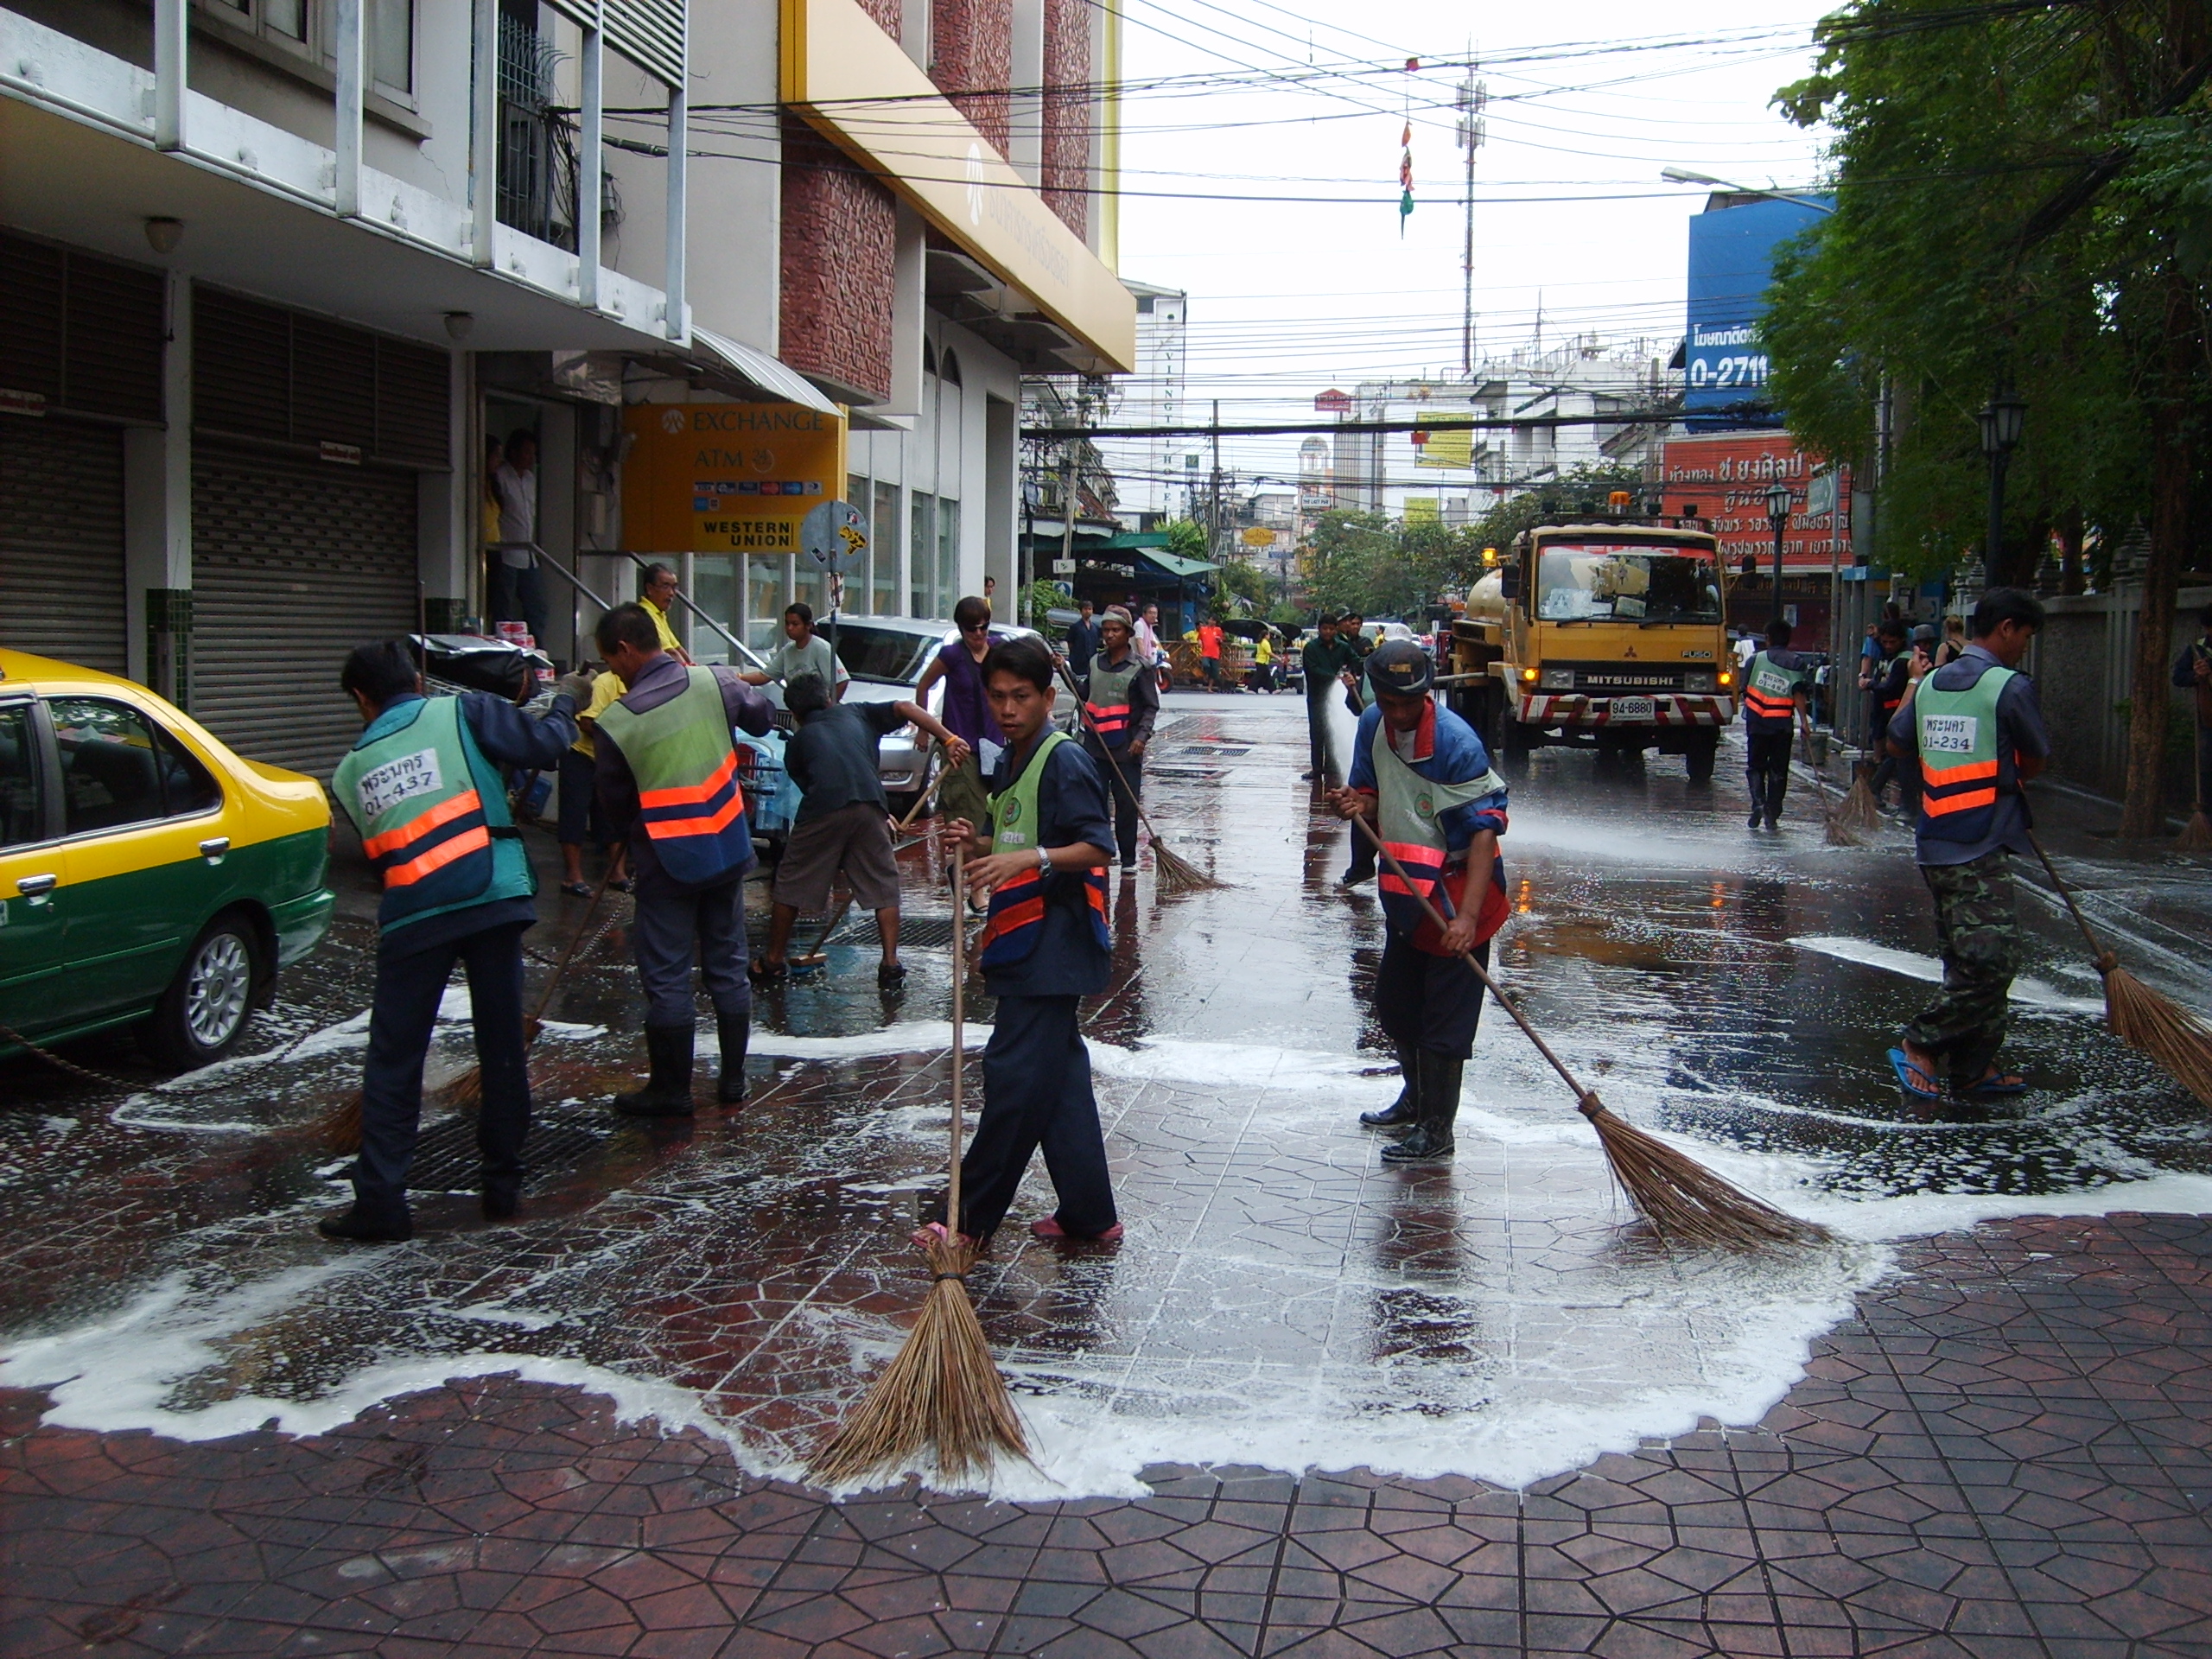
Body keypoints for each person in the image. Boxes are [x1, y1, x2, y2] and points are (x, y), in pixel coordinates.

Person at [322, 639, 585, 1241]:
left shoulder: (348, 770)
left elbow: (375, 854)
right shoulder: (462, 712)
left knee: (393, 1060)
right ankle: (503, 1187)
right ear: (417, 679)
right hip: (492, 896)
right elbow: (546, 745)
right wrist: (567, 701)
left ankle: (382, 1204)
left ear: (362, 700)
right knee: (500, 1048)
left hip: (414, 916)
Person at [924, 636, 1120, 1247]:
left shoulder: (1063, 759)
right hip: (1025, 940)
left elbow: (1098, 846)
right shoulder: (1013, 755)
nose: (1008, 709)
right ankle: (1089, 1215)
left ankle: (967, 1220)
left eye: (1022, 697)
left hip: (1054, 946)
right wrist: (979, 843)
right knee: (1058, 1085)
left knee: (1013, 1081)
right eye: (999, 697)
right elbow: (1018, 836)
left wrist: (1028, 859)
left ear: (1048, 698)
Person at [1325, 641, 1510, 1162]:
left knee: (1445, 1023)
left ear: (1427, 694)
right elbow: (1373, 794)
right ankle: (1415, 1099)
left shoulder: (1457, 744)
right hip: (1409, 892)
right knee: (1397, 1005)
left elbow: (1482, 836)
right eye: (1390, 703)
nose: (1401, 714)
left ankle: (1438, 1127)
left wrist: (1469, 919)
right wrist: (1354, 803)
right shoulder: (1371, 725)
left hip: (1460, 893)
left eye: (1410, 703)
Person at [593, 603, 776, 1116]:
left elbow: (614, 804)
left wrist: (629, 838)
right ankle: (734, 1082)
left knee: (668, 976)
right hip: (726, 848)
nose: (613, 672)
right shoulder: (714, 683)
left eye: (611, 662)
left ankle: (671, 1092)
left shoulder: (618, 722)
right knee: (728, 966)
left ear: (627, 651)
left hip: (665, 861)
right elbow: (762, 715)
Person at [1884, 588, 2050, 1104]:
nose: (2025, 646)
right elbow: (2038, 757)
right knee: (1994, 961)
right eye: (2024, 635)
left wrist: (1915, 684)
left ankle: (1975, 1068)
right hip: (1979, 841)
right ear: (2005, 629)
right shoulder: (2008, 687)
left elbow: (1896, 739)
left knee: (1967, 959)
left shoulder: (1932, 684)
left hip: (1936, 836)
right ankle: (1922, 1041)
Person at [756, 673, 966, 989]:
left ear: (796, 714)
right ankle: (891, 964)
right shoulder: (856, 712)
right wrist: (947, 738)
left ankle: (772, 961)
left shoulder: (799, 741)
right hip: (870, 805)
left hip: (826, 808)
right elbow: (906, 707)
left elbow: (814, 786)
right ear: (830, 698)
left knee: (791, 883)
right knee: (883, 882)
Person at [1076, 606, 1160, 871]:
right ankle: (1099, 851)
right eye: (1106, 631)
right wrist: (1064, 671)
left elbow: (1150, 706)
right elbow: (1084, 694)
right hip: (1095, 745)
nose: (1109, 635)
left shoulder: (1140, 668)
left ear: (1127, 634)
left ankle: (1127, 859)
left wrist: (1141, 737)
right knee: (1095, 802)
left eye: (1115, 630)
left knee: (1126, 805)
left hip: (1127, 747)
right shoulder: (1094, 663)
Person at [911, 595, 1002, 836]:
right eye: (973, 629)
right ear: (961, 628)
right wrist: (923, 730)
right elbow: (923, 686)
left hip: (995, 747)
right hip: (961, 749)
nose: (979, 633)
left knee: (995, 814)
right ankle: (964, 868)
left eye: (984, 627)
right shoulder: (952, 655)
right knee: (967, 815)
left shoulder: (999, 650)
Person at [556, 663, 631, 897]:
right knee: (574, 813)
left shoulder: (638, 686)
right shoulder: (605, 684)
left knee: (614, 815)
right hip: (580, 754)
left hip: (609, 756)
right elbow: (587, 722)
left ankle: (617, 874)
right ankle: (572, 877)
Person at [1740, 619, 1815, 830]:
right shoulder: (1796, 662)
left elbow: (1745, 689)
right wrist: (1804, 723)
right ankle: (1772, 813)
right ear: (1789, 639)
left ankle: (1758, 803)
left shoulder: (1754, 661)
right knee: (1778, 770)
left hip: (1757, 723)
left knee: (1755, 767)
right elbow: (1798, 694)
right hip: (1782, 726)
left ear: (1768, 638)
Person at [490, 429, 550, 648]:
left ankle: (538, 654)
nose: (530, 458)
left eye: (533, 454)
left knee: (538, 607)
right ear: (513, 452)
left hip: (528, 553)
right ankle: (504, 654)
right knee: (503, 610)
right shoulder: (501, 475)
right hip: (506, 551)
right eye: (526, 453)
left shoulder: (530, 479)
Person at [740, 601, 849, 699]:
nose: (789, 628)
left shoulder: (821, 648)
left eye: (795, 624)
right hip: (799, 715)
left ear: (808, 625)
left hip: (819, 716)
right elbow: (764, 676)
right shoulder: (787, 651)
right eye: (787, 623)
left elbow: (842, 681)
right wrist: (737, 678)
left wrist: (828, 708)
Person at [1300, 613, 1361, 782]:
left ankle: (1333, 766)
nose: (1328, 632)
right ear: (1319, 629)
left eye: (1331, 629)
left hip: (1338, 697)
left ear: (1336, 630)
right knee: (1317, 731)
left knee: (1335, 727)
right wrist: (1333, 677)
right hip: (1317, 696)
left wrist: (1349, 673)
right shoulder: (1311, 648)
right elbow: (1312, 670)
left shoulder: (1343, 647)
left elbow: (1356, 661)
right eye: (1325, 628)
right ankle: (1317, 768)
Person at [1866, 619, 1912, 810]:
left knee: (1899, 754)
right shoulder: (1887, 659)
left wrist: (1871, 684)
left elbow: (1890, 687)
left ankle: (1877, 788)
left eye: (1892, 642)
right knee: (1897, 754)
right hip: (1887, 711)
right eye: (1885, 642)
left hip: (1901, 711)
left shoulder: (1903, 661)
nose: (1888, 646)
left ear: (1902, 640)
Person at [2171, 601, 2212, 815]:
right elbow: (2178, 677)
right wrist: (2196, 675)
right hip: (2209, 717)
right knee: (2207, 767)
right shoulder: (2198, 649)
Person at [637, 563, 694, 664]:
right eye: (665, 586)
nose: (671, 593)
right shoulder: (644, 614)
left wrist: (692, 665)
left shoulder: (659, 613)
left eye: (674, 587)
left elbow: (677, 648)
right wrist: (687, 669)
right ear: (649, 589)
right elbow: (669, 652)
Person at [1059, 599, 1102, 675]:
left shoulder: (1095, 628)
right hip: (1078, 661)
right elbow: (1070, 644)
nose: (1087, 611)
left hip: (1091, 661)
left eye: (1090, 609)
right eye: (1085, 609)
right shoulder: (1075, 627)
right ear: (1081, 611)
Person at [1197, 616, 1227, 691]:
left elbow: (1222, 640)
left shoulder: (1218, 630)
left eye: (1213, 620)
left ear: (1215, 622)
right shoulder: (1203, 629)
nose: (1211, 621)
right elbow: (1199, 638)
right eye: (1210, 619)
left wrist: (1219, 640)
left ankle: (1209, 688)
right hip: (1206, 652)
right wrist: (1199, 641)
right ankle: (1206, 674)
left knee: (1214, 671)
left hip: (1215, 653)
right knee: (1205, 665)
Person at [1252, 629, 1276, 693]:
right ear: (1266, 635)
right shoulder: (1265, 642)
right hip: (1262, 662)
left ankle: (1272, 689)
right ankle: (1252, 688)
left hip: (1260, 661)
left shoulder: (1260, 642)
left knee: (1266, 676)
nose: (1269, 636)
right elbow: (1269, 652)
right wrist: (1278, 658)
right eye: (1268, 635)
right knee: (1259, 676)